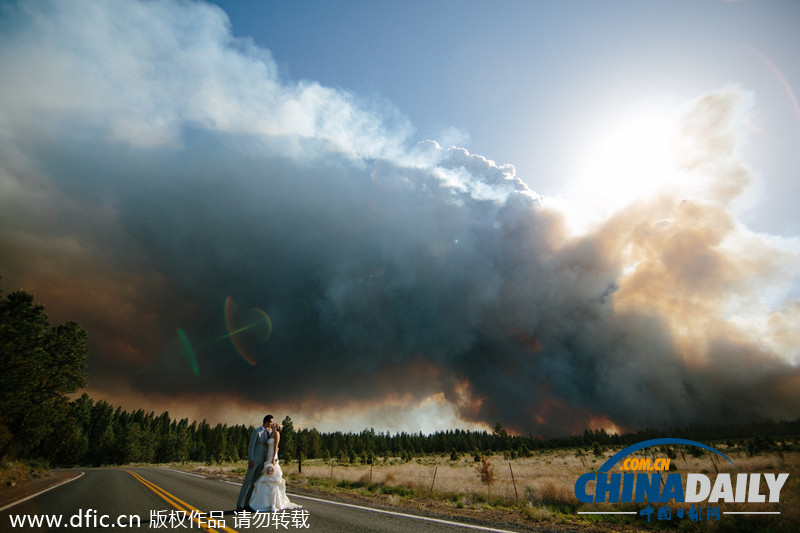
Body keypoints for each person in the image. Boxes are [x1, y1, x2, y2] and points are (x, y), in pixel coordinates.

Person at [249, 420, 302, 512]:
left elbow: (276, 447)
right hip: (267, 456)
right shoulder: (270, 434)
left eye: (273, 423)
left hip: (272, 456)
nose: (272, 423)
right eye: (271, 422)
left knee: (273, 479)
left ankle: (274, 502)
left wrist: (273, 459)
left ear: (276, 426)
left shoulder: (276, 434)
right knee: (265, 478)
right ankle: (265, 502)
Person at [236, 414, 273, 511]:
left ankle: (247, 504)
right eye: (271, 421)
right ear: (266, 421)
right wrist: (250, 459)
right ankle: (239, 505)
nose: (271, 423)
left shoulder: (269, 433)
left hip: (262, 462)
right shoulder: (257, 431)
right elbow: (251, 447)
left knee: (254, 483)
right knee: (247, 482)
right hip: (254, 461)